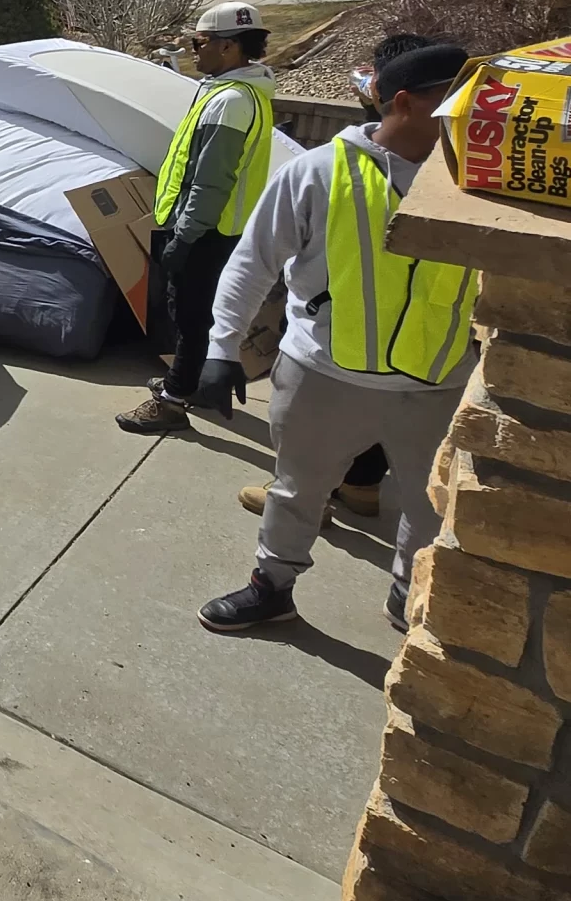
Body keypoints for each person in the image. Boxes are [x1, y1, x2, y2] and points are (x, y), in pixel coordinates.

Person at [191, 40, 479, 636]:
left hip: (437, 378)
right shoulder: (319, 172)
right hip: (324, 375)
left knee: (431, 502)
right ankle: (272, 588)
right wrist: (221, 349)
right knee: (297, 490)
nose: (467, 112)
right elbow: (252, 263)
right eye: (451, 100)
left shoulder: (473, 178)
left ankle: (408, 596)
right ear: (405, 102)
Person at [232, 34, 442, 525]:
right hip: (419, 349)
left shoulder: (340, 166)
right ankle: (362, 487)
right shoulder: (450, 168)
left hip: (337, 344)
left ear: (391, 91)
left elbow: (255, 260)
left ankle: (312, 495)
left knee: (323, 432)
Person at [117, 1, 278, 435]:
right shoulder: (241, 94)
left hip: (207, 231)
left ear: (228, 47)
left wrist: (184, 237)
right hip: (217, 228)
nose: (193, 50)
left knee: (190, 316)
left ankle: (172, 403)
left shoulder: (231, 102)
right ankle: (196, 383)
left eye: (199, 42)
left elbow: (211, 182)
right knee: (198, 313)